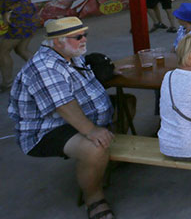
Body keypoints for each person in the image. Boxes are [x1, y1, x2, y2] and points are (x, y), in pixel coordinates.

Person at [8, 17, 114, 219]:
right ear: (57, 41)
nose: (84, 40)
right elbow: (63, 106)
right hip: (46, 129)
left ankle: (103, 164)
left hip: (75, 118)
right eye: (77, 37)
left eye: (85, 35)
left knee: (128, 102)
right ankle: (94, 198)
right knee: (94, 149)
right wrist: (91, 130)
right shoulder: (45, 66)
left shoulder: (70, 53)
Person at [0, 0, 36, 90]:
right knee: (21, 50)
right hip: (28, 23)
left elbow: (26, 4)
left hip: (19, 25)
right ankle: (42, 71)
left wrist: (9, 11)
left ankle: (7, 83)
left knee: (2, 52)